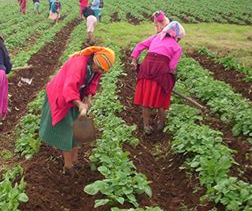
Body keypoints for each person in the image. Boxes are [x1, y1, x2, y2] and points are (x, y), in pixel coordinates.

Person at [39, 46, 115, 176]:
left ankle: (74, 159)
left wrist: (88, 97)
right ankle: (68, 165)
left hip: (76, 95)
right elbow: (68, 89)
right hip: (62, 95)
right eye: (100, 67)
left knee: (77, 129)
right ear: (95, 59)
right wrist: (80, 104)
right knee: (67, 130)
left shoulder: (95, 67)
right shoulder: (79, 64)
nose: (101, 70)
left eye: (103, 70)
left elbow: (93, 82)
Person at [130, 12, 185, 135]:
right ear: (177, 36)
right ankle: (161, 124)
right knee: (162, 98)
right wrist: (168, 81)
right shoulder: (177, 47)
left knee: (146, 99)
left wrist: (134, 61)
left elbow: (140, 46)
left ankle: (146, 126)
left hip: (146, 68)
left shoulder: (156, 37)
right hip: (160, 71)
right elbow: (172, 66)